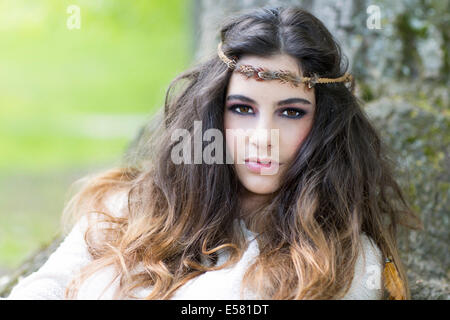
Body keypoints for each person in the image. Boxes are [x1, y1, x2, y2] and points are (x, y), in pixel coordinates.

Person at [5, 6, 420, 300]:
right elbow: (42, 288)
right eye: (242, 109)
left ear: (325, 126)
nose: (263, 137)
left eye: (291, 113)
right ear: (211, 114)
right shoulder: (131, 205)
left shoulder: (343, 261)